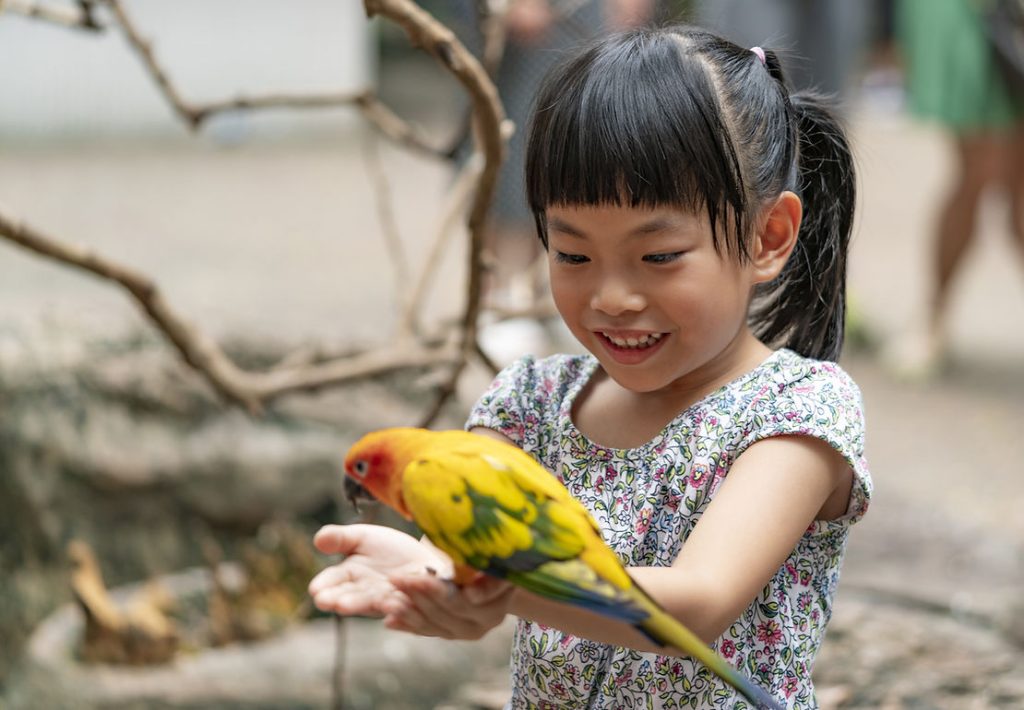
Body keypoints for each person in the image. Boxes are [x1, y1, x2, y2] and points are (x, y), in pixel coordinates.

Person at [310, 25, 872, 708]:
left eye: (659, 256)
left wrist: (500, 585)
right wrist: (434, 581)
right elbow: (454, 552)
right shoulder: (528, 400)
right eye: (572, 255)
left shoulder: (798, 412)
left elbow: (696, 604)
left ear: (767, 237)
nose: (612, 297)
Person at [888, 0, 1024, 375]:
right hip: (975, 14)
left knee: (1006, 184)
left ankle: (932, 318)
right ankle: (933, 317)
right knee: (981, 169)